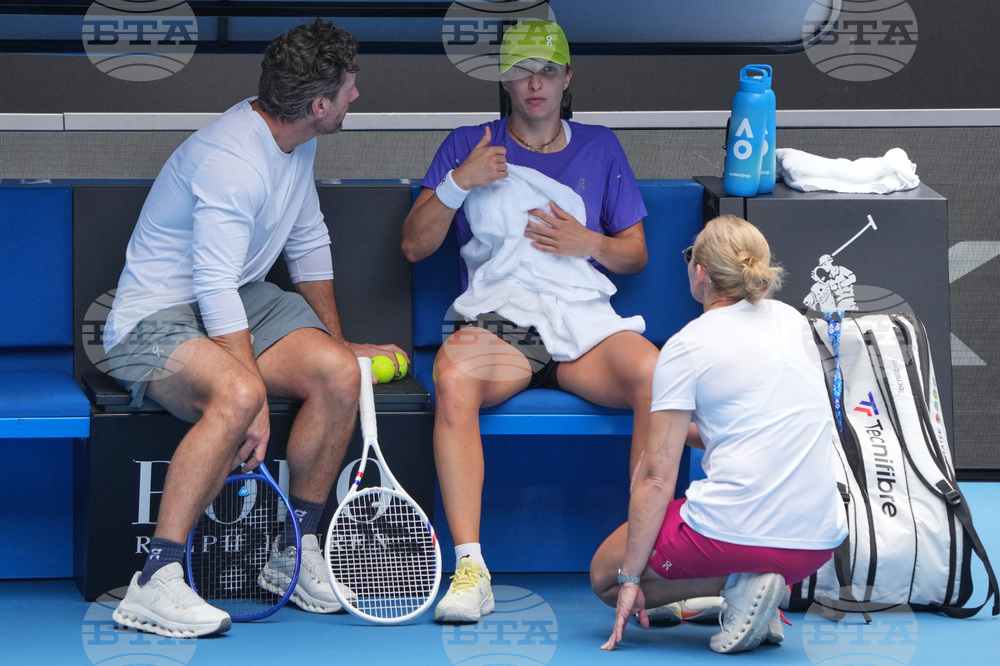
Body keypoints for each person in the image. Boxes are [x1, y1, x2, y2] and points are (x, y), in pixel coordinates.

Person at [104, 19, 407, 637]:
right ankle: (154, 580)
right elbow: (212, 285)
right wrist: (254, 402)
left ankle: (293, 552)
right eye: (348, 90)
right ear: (318, 105)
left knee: (340, 372)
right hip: (153, 318)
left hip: (238, 297)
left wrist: (337, 341)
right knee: (240, 396)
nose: (355, 96)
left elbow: (308, 241)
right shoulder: (233, 161)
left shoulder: (297, 137)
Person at [401, 19, 659, 623]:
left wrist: (588, 241)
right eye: (521, 72)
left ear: (567, 78)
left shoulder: (601, 146)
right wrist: (459, 182)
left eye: (546, 71)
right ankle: (471, 570)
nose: (534, 84)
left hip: (581, 327)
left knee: (655, 375)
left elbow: (635, 254)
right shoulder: (468, 143)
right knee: (453, 378)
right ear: (504, 80)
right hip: (506, 327)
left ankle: (642, 561)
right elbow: (413, 245)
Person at [590, 215, 849, 654]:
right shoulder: (794, 321)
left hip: (730, 532)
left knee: (605, 576)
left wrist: (630, 579)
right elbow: (750, 430)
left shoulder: (688, 344)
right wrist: (674, 438)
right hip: (818, 542)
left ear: (701, 274)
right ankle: (757, 585)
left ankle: (739, 583)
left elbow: (656, 478)